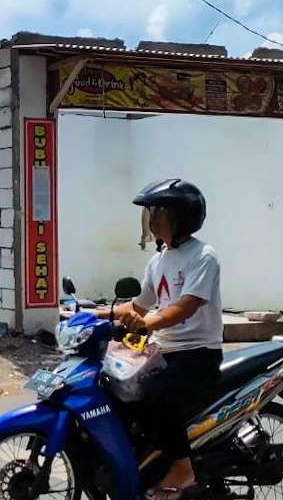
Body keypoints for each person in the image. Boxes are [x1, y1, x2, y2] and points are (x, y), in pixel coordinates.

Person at [105, 179, 222, 500]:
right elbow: (139, 304)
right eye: (151, 212)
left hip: (197, 355)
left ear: (181, 216)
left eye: (159, 211)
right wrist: (93, 314)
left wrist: (147, 323)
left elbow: (186, 306)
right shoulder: (159, 260)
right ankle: (147, 460)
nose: (152, 218)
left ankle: (183, 469)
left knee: (155, 393)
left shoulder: (203, 256)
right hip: (164, 351)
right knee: (113, 386)